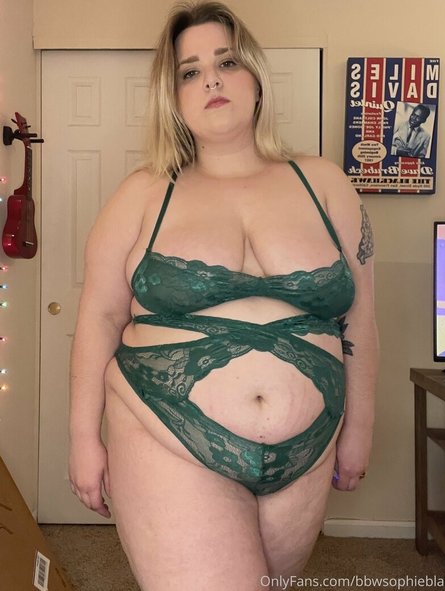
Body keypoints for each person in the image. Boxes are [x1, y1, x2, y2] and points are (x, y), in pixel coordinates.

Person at [68, 2, 379, 590]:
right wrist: (83, 438)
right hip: (166, 428)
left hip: (309, 448)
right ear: (174, 97)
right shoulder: (142, 193)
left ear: (255, 76)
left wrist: (359, 427)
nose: (211, 79)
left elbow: (361, 318)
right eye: (190, 71)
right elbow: (100, 317)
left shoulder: (326, 183)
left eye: (227, 61)